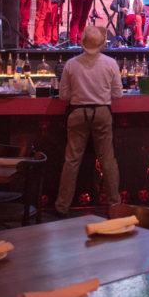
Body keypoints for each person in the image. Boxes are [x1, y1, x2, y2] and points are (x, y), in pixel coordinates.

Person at [55, 25, 123, 215]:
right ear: (102, 44)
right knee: (108, 160)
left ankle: (62, 206)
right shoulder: (110, 63)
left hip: (77, 112)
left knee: (72, 161)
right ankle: (114, 205)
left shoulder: (71, 64)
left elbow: (63, 96)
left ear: (83, 43)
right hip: (102, 112)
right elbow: (117, 94)